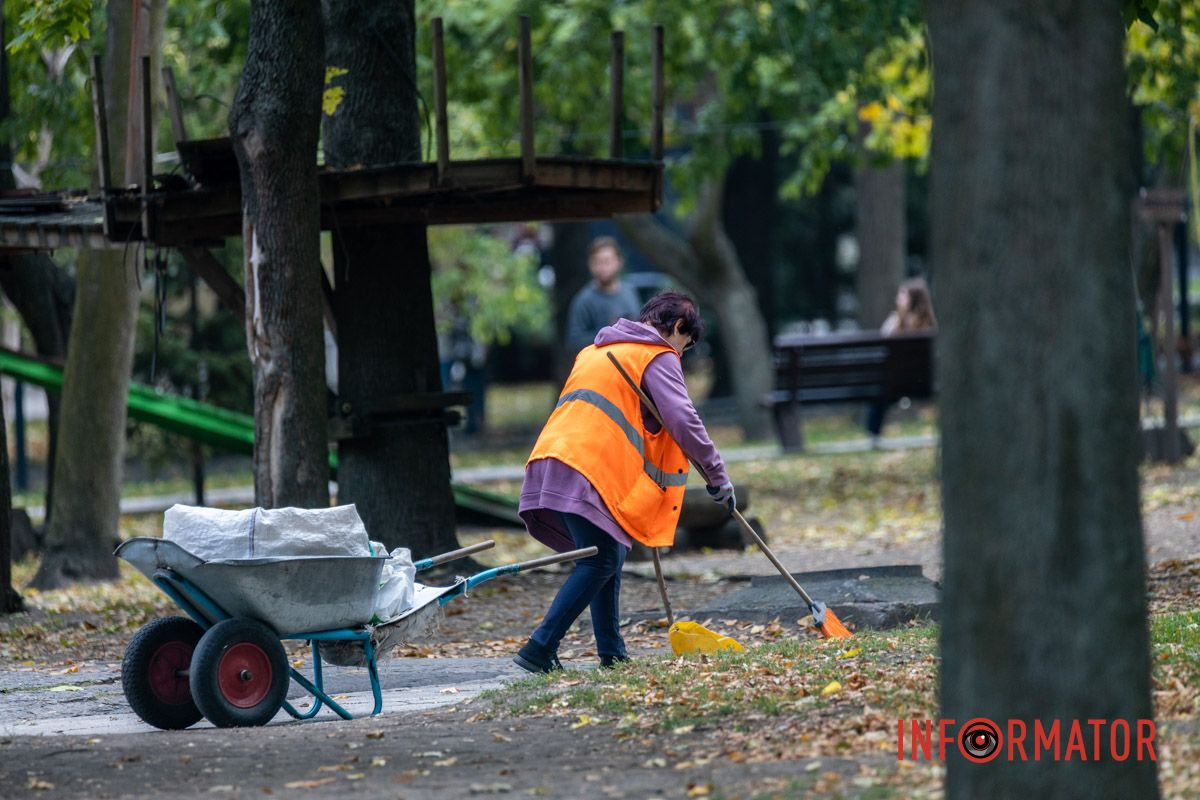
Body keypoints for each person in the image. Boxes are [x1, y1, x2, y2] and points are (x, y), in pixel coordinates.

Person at [514, 291, 734, 673]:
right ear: (678, 327)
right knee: (601, 559)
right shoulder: (656, 355)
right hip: (587, 467)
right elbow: (683, 419)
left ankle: (612, 654)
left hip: (552, 459)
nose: (681, 353)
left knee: (608, 554)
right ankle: (539, 648)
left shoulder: (594, 351)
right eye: (685, 344)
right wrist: (717, 475)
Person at [867, 277, 937, 442]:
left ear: (913, 299)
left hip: (894, 384)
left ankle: (873, 435)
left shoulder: (894, 323)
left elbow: (881, 350)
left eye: (902, 295)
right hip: (925, 382)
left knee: (878, 395)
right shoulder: (930, 326)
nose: (897, 299)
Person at [565, 237, 643, 354]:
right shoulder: (584, 300)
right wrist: (608, 334)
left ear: (619, 262)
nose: (602, 267)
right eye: (597, 262)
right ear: (590, 265)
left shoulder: (630, 292)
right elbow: (575, 342)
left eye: (607, 261)